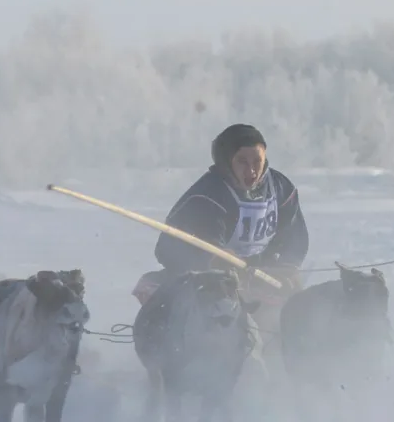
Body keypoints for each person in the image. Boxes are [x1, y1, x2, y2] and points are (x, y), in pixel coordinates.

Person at [132, 124, 308, 306]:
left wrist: (286, 267)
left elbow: (295, 237)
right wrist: (213, 262)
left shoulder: (281, 189)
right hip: (206, 282)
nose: (251, 171)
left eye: (257, 161)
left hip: (260, 277)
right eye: (242, 162)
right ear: (227, 160)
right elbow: (168, 248)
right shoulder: (208, 196)